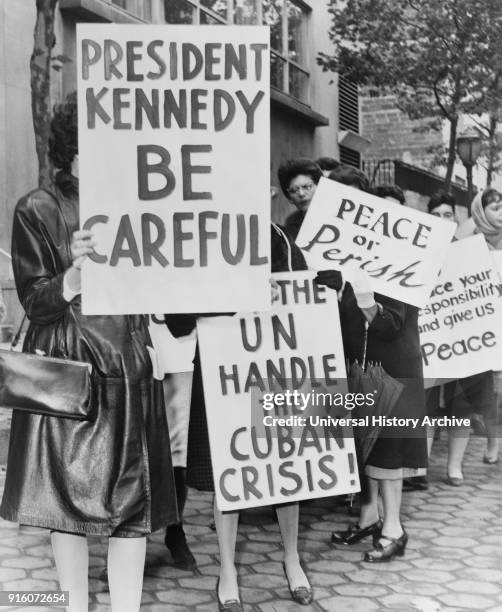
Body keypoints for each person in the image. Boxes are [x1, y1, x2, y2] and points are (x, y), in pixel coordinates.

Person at [0, 93, 177, 612]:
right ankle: (74, 605)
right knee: (62, 503)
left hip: (129, 361)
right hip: (68, 367)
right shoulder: (38, 207)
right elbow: (34, 299)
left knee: (132, 503)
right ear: (73, 149)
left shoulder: (139, 202)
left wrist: (154, 334)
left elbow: (153, 283)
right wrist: (72, 277)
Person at [166, 222, 313, 611]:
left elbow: (305, 297)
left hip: (273, 369)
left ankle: (292, 558)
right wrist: (233, 299)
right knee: (227, 473)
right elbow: (177, 321)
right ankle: (227, 570)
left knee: (283, 466)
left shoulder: (276, 236)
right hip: (220, 370)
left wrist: (314, 287)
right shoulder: (198, 240)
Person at [318, 166, 428, 562]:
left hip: (391, 368)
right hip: (360, 367)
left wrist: (366, 298)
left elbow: (390, 324)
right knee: (365, 447)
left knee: (387, 450)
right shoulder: (343, 253)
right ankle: (369, 518)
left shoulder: (397, 256)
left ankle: (394, 527)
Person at [470, 188, 502, 464]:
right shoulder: (469, 243)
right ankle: (493, 441)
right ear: (481, 211)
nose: (500, 212)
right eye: (494, 207)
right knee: (491, 394)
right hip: (482, 327)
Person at [279, 159, 323, 240]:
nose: (301, 194)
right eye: (294, 190)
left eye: (307, 187)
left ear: (320, 186)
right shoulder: (291, 224)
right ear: (289, 199)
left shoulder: (341, 211)